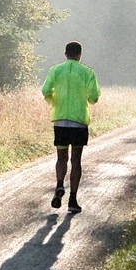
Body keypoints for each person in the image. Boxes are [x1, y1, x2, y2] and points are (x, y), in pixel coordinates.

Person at [41, 41, 100, 213]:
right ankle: (72, 200)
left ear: (65, 54)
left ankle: (60, 185)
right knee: (76, 160)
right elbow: (94, 98)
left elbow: (45, 91)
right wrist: (86, 98)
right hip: (79, 121)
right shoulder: (87, 72)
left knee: (61, 158)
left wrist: (54, 102)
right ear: (80, 55)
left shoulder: (55, 70)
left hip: (60, 120)